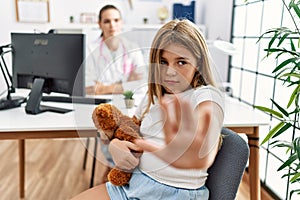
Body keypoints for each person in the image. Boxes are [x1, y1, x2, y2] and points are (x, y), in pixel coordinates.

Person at [72, 19, 224, 200]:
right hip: (135, 183)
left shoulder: (205, 96)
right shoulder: (153, 95)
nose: (169, 72)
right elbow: (129, 130)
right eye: (163, 62)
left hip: (174, 193)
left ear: (198, 63)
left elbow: (203, 134)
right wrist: (114, 145)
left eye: (181, 62)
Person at [85, 4, 146, 95]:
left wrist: (103, 89)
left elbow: (143, 86)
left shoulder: (133, 48)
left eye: (116, 20)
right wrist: (127, 83)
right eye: (107, 21)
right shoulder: (90, 49)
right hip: (100, 102)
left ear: (121, 22)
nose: (112, 25)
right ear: (99, 24)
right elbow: (88, 87)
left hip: (127, 101)